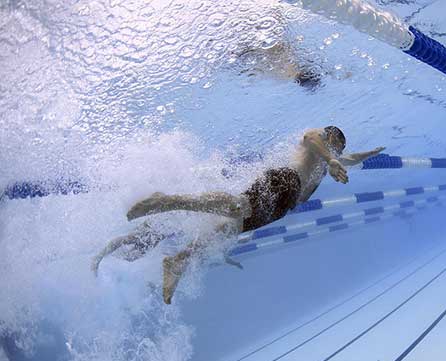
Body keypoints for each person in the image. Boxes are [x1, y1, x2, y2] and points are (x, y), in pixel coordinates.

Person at [92, 127, 385, 304]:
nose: (335, 149)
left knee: (227, 230)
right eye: (334, 143)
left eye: (337, 148)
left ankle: (179, 260)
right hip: (283, 181)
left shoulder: (329, 161)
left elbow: (350, 158)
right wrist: (331, 158)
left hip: (281, 207)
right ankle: (166, 201)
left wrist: (368, 154)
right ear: (330, 137)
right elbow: (311, 138)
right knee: (236, 207)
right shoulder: (320, 144)